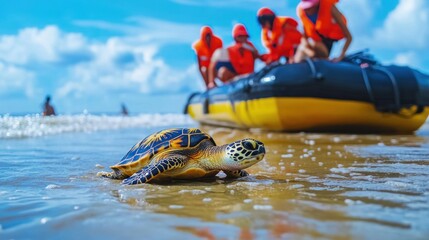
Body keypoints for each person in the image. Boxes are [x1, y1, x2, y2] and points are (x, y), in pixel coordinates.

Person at [207, 24, 260, 89]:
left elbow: (259, 56)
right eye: (240, 36)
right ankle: (228, 89)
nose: (243, 39)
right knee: (222, 72)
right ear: (235, 38)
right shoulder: (229, 51)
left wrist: (251, 49)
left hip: (250, 78)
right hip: (236, 78)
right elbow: (212, 65)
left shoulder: (251, 48)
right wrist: (211, 82)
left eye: (244, 36)